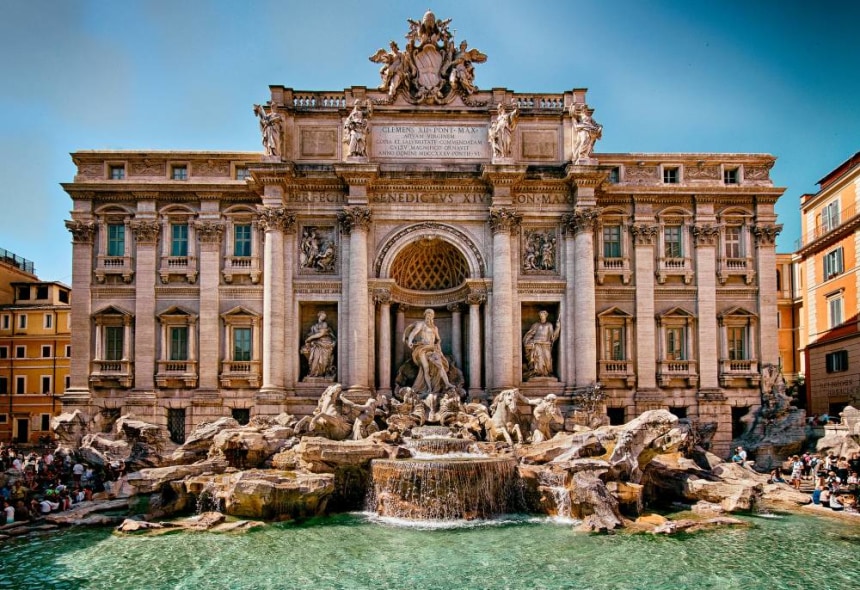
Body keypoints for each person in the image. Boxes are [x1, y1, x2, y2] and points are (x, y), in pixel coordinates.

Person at [404, 309, 452, 395]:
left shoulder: (435, 328)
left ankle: (447, 383)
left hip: (432, 348)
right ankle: (429, 388)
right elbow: (413, 333)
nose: (429, 316)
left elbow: (438, 339)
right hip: (422, 348)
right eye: (427, 314)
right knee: (426, 368)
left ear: (433, 317)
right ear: (425, 315)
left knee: (440, 365)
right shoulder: (421, 324)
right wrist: (410, 341)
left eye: (431, 315)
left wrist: (438, 345)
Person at [522, 310, 561, 379]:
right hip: (537, 344)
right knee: (538, 359)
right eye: (541, 315)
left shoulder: (549, 325)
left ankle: (547, 373)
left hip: (546, 345)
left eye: (543, 315)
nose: (542, 316)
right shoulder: (536, 325)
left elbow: (553, 336)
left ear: (546, 316)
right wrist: (528, 341)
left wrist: (558, 327)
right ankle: (538, 374)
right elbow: (530, 334)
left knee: (548, 359)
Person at [301, 311, 337, 379]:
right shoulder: (313, 326)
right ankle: (313, 373)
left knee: (323, 361)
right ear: (319, 316)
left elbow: (321, 334)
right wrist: (309, 340)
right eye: (322, 316)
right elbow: (310, 334)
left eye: (325, 317)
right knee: (315, 358)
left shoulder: (325, 324)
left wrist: (309, 338)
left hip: (325, 343)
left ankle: (321, 373)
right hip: (316, 344)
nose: (324, 317)